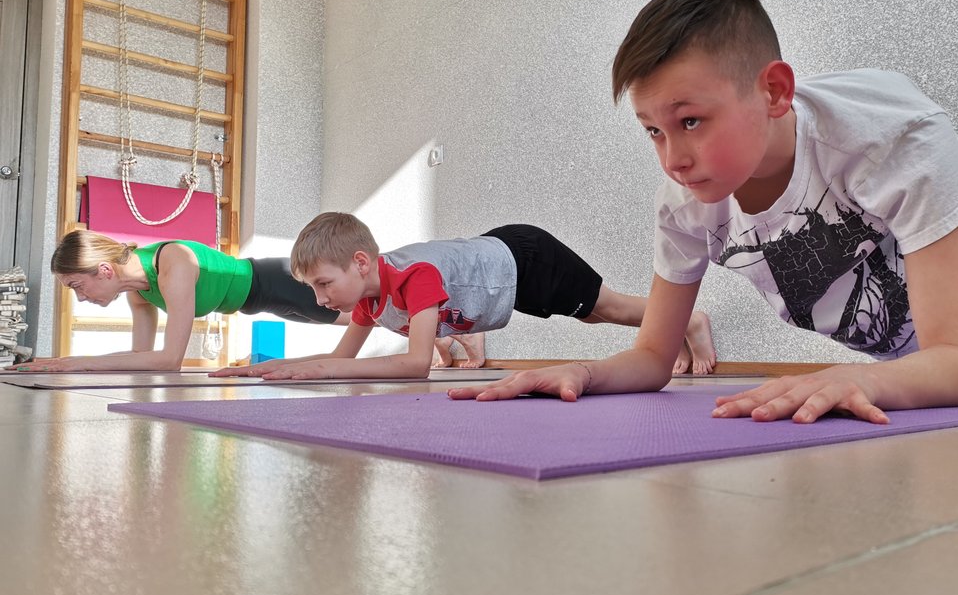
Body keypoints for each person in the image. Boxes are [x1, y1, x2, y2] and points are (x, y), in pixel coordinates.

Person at [448, 0, 958, 423]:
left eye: (691, 121)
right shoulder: (685, 204)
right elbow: (653, 355)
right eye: (653, 130)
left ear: (773, 92)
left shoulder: (892, 142)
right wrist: (583, 374)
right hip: (900, 313)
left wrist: (861, 377)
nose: (672, 157)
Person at [210, 213, 716, 380]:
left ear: (360, 263)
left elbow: (416, 365)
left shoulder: (414, 277)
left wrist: (320, 371)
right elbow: (342, 356)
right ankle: (677, 326)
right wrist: (267, 368)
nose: (320, 300)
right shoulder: (367, 298)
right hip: (503, 267)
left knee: (606, 310)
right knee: (597, 316)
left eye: (324, 284)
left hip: (527, 259)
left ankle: (689, 320)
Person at [7, 230, 348, 372]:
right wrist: (65, 362)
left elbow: (170, 360)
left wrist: (76, 365)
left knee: (369, 316)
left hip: (277, 281)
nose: (81, 298)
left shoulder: (173, 264)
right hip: (264, 300)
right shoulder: (137, 290)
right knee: (366, 319)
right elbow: (141, 354)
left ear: (105, 270)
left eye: (77, 286)